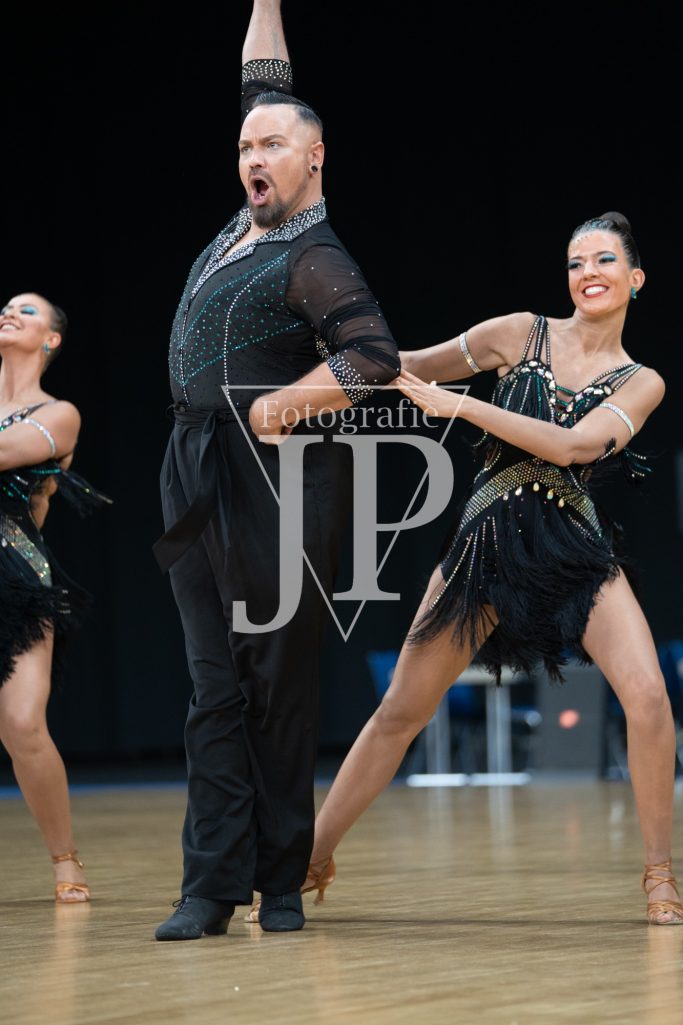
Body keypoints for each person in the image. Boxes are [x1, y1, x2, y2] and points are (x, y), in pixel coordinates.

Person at [296, 212, 681, 927]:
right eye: (575, 262)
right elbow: (411, 365)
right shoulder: (518, 333)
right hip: (487, 541)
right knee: (400, 711)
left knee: (649, 698)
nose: (587, 273)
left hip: (573, 545)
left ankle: (659, 874)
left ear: (635, 278)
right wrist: (332, 364)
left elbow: (574, 446)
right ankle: (310, 857)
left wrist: (461, 407)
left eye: (603, 260)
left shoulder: (642, 381)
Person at [153, 0, 399, 939]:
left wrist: (285, 402)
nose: (253, 156)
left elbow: (371, 356)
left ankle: (282, 880)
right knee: (212, 684)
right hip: (195, 466)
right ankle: (209, 886)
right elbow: (262, 81)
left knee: (275, 679)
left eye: (272, 145)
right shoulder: (245, 226)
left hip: (273, 482)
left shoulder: (313, 254)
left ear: (313, 158)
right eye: (244, 146)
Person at [0, 292, 110, 903]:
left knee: (22, 723)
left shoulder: (59, 414)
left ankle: (65, 859)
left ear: (52, 339)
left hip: (16, 578)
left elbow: (5, 452)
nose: (9, 313)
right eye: (6, 307)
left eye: (27, 311)